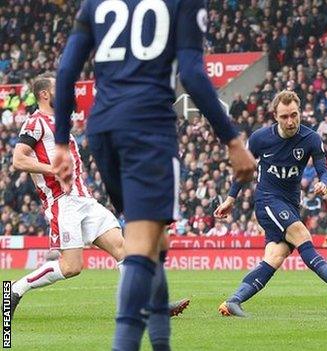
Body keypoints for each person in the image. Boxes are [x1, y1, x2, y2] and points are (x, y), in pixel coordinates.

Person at [52, 1, 256, 350]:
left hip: (102, 131)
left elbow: (66, 70)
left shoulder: (95, 3)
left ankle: (162, 344)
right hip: (148, 130)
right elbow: (191, 75)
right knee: (143, 246)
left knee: (155, 242)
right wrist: (233, 139)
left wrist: (60, 141)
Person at [10, 74, 190, 319]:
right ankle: (16, 289)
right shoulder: (36, 122)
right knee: (71, 267)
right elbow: (19, 159)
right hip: (63, 202)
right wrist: (53, 169)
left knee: (125, 250)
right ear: (44, 94)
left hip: (85, 199)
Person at [214, 90, 327, 317]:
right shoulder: (260, 139)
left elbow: (323, 169)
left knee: (275, 256)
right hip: (267, 201)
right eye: (284, 117)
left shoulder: (311, 139)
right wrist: (231, 198)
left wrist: (324, 183)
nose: (290, 121)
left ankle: (233, 301)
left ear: (300, 112)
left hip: (290, 204)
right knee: (301, 234)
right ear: (275, 116)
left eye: (294, 115)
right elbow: (244, 170)